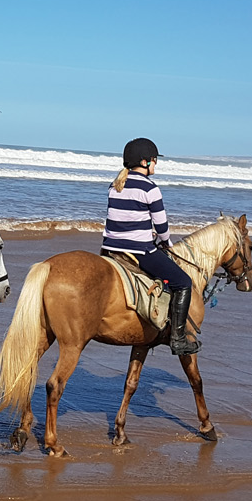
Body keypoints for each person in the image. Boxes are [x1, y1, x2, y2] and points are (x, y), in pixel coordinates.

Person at [101, 137, 200, 356]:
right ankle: (178, 338)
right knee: (183, 282)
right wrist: (166, 242)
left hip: (110, 249)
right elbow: (162, 227)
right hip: (140, 251)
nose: (156, 164)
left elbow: (119, 219)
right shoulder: (150, 188)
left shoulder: (115, 184)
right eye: (155, 160)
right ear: (145, 162)